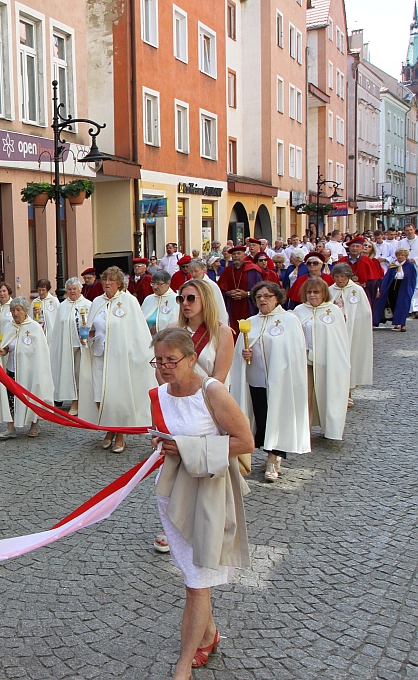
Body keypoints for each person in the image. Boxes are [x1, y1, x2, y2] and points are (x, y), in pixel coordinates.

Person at [149, 328, 252, 679]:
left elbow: (245, 442)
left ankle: (183, 665)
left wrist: (188, 447)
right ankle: (208, 634)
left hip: (209, 495)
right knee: (192, 574)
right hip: (172, 494)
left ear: (192, 358)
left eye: (171, 360)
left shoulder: (212, 391)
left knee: (197, 581)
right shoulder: (161, 393)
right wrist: (161, 443)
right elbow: (166, 435)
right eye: (158, 361)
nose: (164, 367)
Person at [153, 279, 236, 556]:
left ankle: (208, 525)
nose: (185, 304)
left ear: (205, 300)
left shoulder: (222, 333)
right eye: (181, 299)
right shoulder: (172, 331)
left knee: (202, 470)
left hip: (206, 408)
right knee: (175, 468)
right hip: (177, 405)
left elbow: (219, 377)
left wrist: (197, 398)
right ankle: (172, 525)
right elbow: (161, 370)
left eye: (191, 298)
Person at [229, 282, 311, 483]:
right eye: (258, 297)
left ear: (277, 298)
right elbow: (243, 350)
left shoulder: (289, 320)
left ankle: (273, 459)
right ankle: (269, 452)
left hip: (281, 381)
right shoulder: (251, 322)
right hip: (256, 381)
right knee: (263, 419)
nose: (262, 300)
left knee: (278, 419)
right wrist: (245, 354)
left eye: (267, 296)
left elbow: (294, 351)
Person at [77, 266, 154, 452]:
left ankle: (120, 434)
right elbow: (93, 327)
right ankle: (109, 429)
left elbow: (138, 330)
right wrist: (86, 337)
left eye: (111, 280)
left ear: (119, 283)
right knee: (100, 396)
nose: (107, 283)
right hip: (100, 356)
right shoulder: (97, 302)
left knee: (118, 396)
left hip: (121, 358)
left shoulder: (129, 301)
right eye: (104, 279)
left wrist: (139, 353)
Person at [293, 280, 350, 441]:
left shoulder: (334, 311)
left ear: (324, 293)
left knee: (328, 394)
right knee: (305, 396)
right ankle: (304, 429)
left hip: (328, 361)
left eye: (316, 292)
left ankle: (331, 428)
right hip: (305, 360)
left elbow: (339, 339)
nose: (312, 295)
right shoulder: (299, 311)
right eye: (309, 292)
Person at [0, 297, 54, 439]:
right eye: (13, 310)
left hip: (31, 371)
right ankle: (10, 427)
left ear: (26, 311)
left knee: (33, 397)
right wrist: (2, 351)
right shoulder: (9, 326)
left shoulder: (35, 327)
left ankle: (34, 424)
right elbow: (7, 347)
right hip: (12, 370)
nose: (15, 313)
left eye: (18, 310)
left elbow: (41, 352)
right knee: (11, 399)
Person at [329, 263, 374, 405]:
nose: (339, 279)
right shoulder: (330, 290)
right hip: (334, 332)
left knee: (350, 359)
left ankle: (348, 391)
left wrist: (352, 319)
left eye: (342, 276)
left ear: (348, 276)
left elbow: (365, 312)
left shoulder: (357, 290)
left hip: (353, 331)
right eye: (337, 276)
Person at [51, 277, 92, 415]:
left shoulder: (88, 304)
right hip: (67, 346)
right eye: (69, 289)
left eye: (74, 289)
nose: (72, 291)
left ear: (80, 289)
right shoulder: (63, 306)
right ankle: (74, 400)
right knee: (71, 374)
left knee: (81, 373)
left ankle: (81, 401)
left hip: (82, 346)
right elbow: (58, 328)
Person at [217, 245, 265, 333]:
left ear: (244, 255)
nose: (236, 256)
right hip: (231, 306)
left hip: (249, 305)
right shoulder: (227, 270)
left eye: (239, 253)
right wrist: (228, 293)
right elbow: (220, 288)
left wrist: (247, 294)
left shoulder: (253, 270)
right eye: (234, 254)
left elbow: (261, 289)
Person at [374, 247, 418, 331]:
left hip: (404, 286)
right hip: (393, 285)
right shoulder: (393, 265)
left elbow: (412, 278)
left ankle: (402, 323)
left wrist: (411, 288)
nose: (400, 257)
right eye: (399, 255)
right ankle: (396, 322)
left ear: (406, 256)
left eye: (402, 255)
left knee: (403, 304)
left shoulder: (410, 266)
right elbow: (387, 277)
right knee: (393, 303)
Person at [187, 259, 228, 324]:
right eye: (191, 271)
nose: (193, 274)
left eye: (196, 271)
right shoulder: (187, 285)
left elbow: (219, 306)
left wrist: (222, 324)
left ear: (203, 270)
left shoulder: (211, 285)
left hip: (209, 320)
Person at [141, 271, 179, 335]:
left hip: (167, 336)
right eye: (153, 283)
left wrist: (159, 327)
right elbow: (140, 319)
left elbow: (178, 321)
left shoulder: (176, 299)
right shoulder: (148, 299)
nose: (155, 287)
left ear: (168, 284)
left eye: (159, 284)